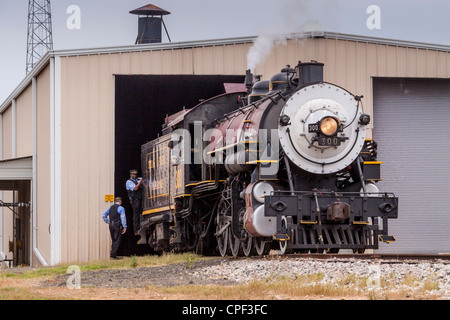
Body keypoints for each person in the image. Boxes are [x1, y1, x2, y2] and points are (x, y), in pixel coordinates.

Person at [126, 169, 143, 235]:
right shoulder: (128, 182)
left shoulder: (138, 179)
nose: (134, 175)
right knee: (136, 215)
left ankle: (141, 227)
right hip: (135, 200)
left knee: (141, 213)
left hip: (140, 199)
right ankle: (136, 230)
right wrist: (140, 182)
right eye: (133, 174)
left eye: (135, 174)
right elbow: (135, 188)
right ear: (130, 175)